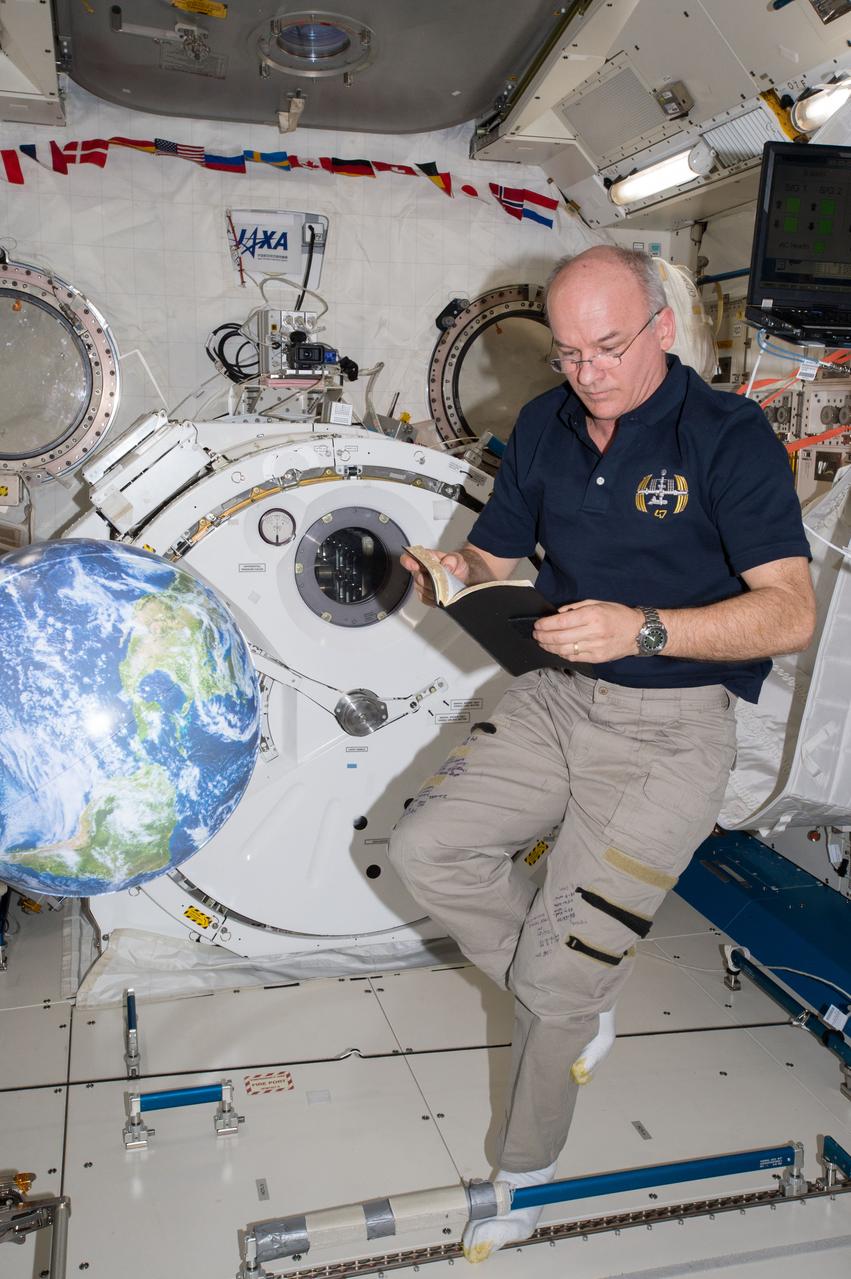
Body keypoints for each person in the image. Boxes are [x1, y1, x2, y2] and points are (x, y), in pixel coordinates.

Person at [388, 245, 816, 1263]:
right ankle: (570, 1004)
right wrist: (455, 567)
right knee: (427, 853)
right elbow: (499, 552)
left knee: (553, 983)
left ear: (661, 327)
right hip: (554, 696)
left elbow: (790, 613)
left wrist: (647, 629)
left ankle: (520, 1172)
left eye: (607, 348)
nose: (586, 373)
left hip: (668, 733)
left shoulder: (726, 434)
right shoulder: (540, 424)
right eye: (568, 353)